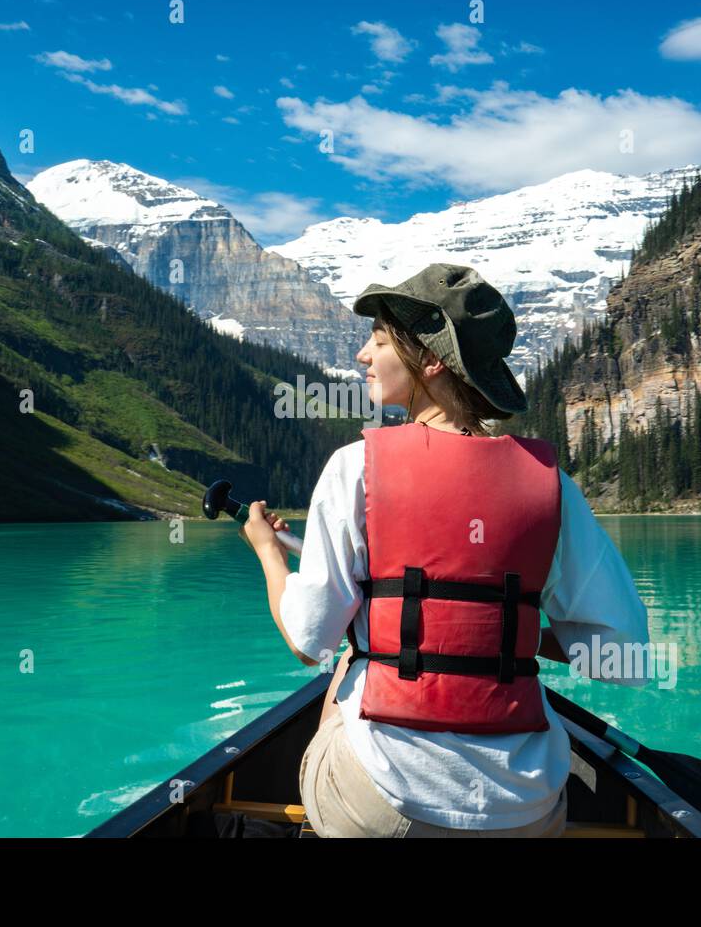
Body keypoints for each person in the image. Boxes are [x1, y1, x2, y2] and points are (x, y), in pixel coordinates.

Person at [241, 262, 650, 837]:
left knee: (341, 674)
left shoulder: (355, 466)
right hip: (525, 811)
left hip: (386, 805)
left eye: (379, 341)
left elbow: (307, 641)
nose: (362, 355)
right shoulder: (549, 483)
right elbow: (624, 653)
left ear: (430, 359)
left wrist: (267, 550)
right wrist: (508, 632)